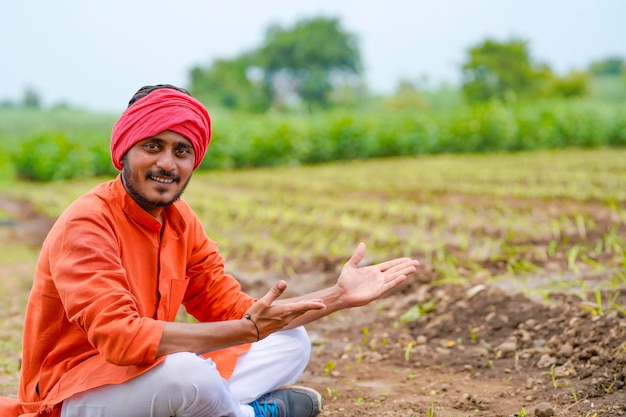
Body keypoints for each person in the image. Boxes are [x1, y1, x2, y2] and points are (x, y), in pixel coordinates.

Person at [0, 84, 420, 417]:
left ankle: (211, 410)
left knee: (291, 340)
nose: (168, 163)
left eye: (181, 151)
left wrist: (336, 297)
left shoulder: (181, 222)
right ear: (124, 150)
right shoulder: (88, 222)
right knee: (185, 373)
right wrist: (243, 332)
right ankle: (248, 415)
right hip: (71, 395)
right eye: (153, 146)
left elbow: (234, 309)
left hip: (144, 378)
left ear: (193, 162)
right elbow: (121, 339)